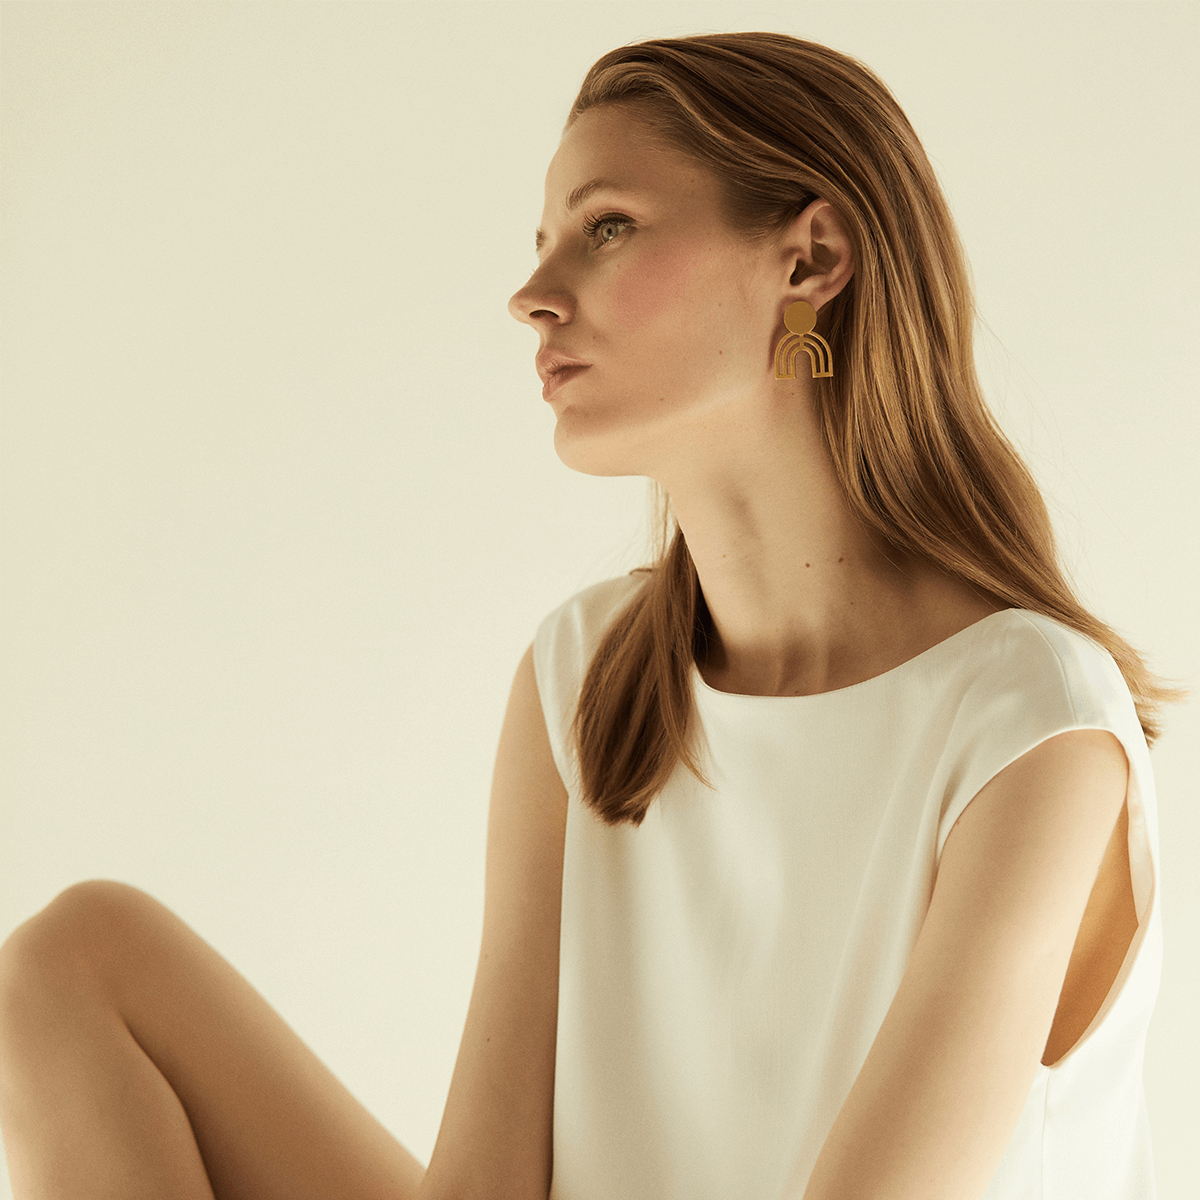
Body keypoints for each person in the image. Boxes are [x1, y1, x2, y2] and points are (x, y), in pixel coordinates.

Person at [0, 30, 1182, 1200]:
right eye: (545, 243)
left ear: (811, 258)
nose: (532, 298)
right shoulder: (583, 673)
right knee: (76, 962)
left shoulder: (1029, 724)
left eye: (606, 227)